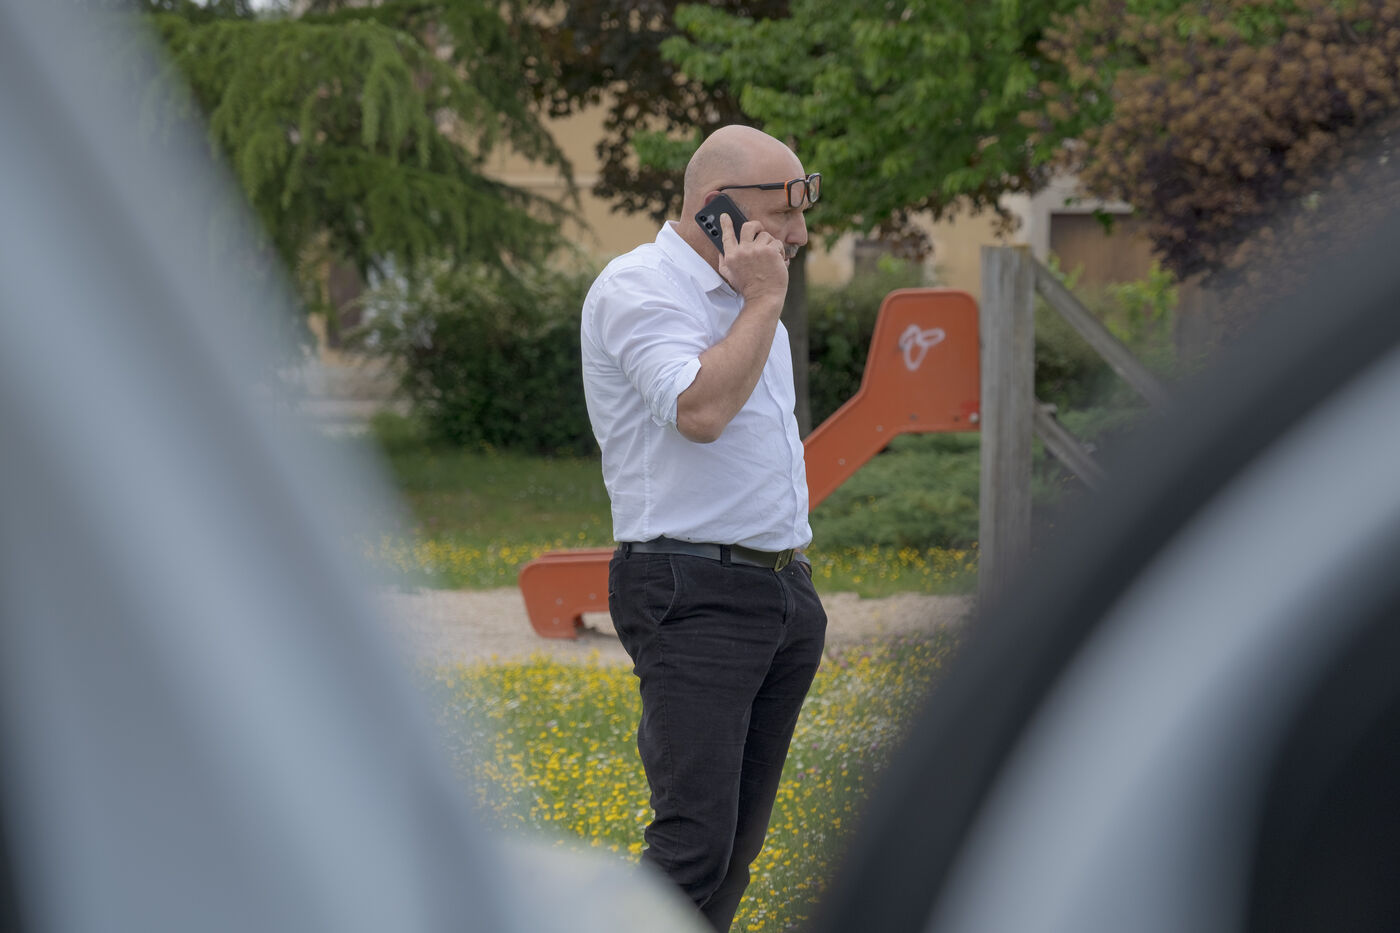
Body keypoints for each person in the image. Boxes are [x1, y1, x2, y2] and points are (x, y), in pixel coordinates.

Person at [579, 124, 828, 932]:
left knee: (733, 852)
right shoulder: (639, 286)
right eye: (783, 211)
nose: (799, 233)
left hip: (781, 590)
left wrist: (797, 587)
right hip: (691, 589)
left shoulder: (756, 309)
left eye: (802, 210)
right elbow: (700, 410)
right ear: (717, 207)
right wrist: (761, 301)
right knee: (692, 845)